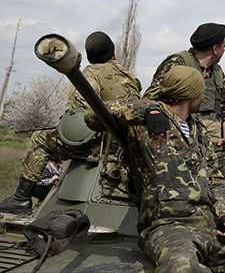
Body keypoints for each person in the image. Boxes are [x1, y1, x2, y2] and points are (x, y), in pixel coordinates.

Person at [85, 66, 225, 272]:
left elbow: (215, 179)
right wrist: (147, 109)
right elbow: (92, 116)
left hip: (209, 225)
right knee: (180, 266)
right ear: (191, 94)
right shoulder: (143, 123)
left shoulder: (199, 130)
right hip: (169, 228)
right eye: (200, 91)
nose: (203, 96)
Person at [0, 31, 141, 213]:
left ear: (89, 59)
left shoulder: (92, 71)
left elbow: (79, 113)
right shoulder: (131, 78)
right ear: (114, 54)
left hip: (101, 145)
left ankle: (21, 198)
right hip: (125, 145)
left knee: (40, 138)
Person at [143, 23, 225, 210]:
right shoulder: (177, 64)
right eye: (224, 46)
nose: (224, 51)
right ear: (215, 49)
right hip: (179, 136)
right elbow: (151, 98)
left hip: (210, 141)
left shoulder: (217, 73)